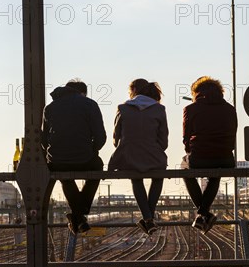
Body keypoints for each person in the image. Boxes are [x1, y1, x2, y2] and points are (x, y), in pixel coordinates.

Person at [42, 79, 106, 234]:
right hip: (84, 158)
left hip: (57, 160)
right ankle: (79, 215)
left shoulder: (50, 107)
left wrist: (54, 152)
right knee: (97, 167)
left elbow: (43, 139)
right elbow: (100, 137)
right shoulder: (89, 104)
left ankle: (78, 217)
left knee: (65, 176)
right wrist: (92, 150)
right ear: (82, 93)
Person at [108, 78, 168, 235]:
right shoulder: (159, 109)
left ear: (133, 90)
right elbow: (164, 141)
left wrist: (124, 147)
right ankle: (149, 218)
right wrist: (154, 149)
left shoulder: (122, 108)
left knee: (136, 178)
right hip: (154, 155)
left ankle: (148, 219)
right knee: (158, 177)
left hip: (128, 154)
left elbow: (116, 137)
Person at [182, 76, 237, 234]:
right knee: (216, 172)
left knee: (184, 169)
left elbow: (186, 139)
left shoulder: (190, 109)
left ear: (196, 92)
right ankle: (202, 214)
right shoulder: (230, 109)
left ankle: (203, 213)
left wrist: (190, 152)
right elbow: (232, 135)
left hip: (199, 157)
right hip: (225, 158)